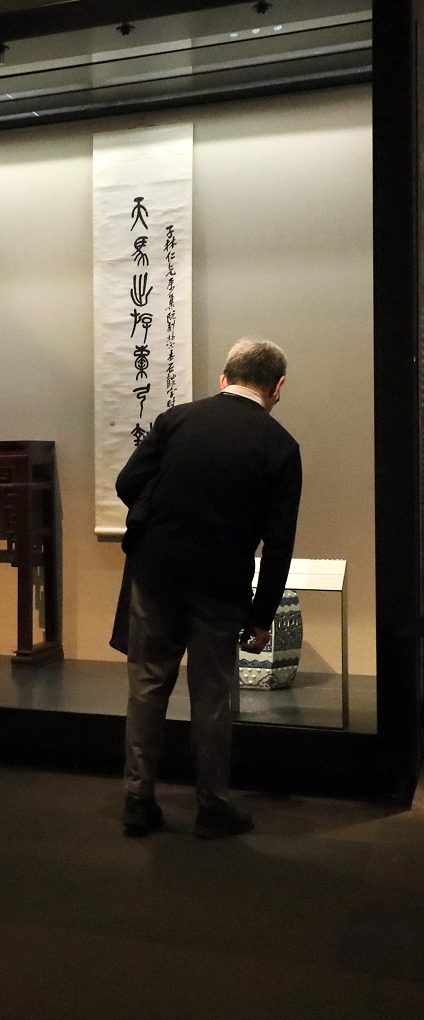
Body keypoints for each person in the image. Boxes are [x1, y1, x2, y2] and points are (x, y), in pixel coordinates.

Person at [116, 339, 302, 839]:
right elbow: (279, 543)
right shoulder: (280, 446)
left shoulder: (175, 420)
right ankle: (213, 806)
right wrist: (262, 616)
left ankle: (137, 800)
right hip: (221, 584)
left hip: (156, 573)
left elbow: (127, 483)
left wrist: (164, 511)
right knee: (212, 695)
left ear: (224, 377)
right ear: (278, 386)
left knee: (147, 685)